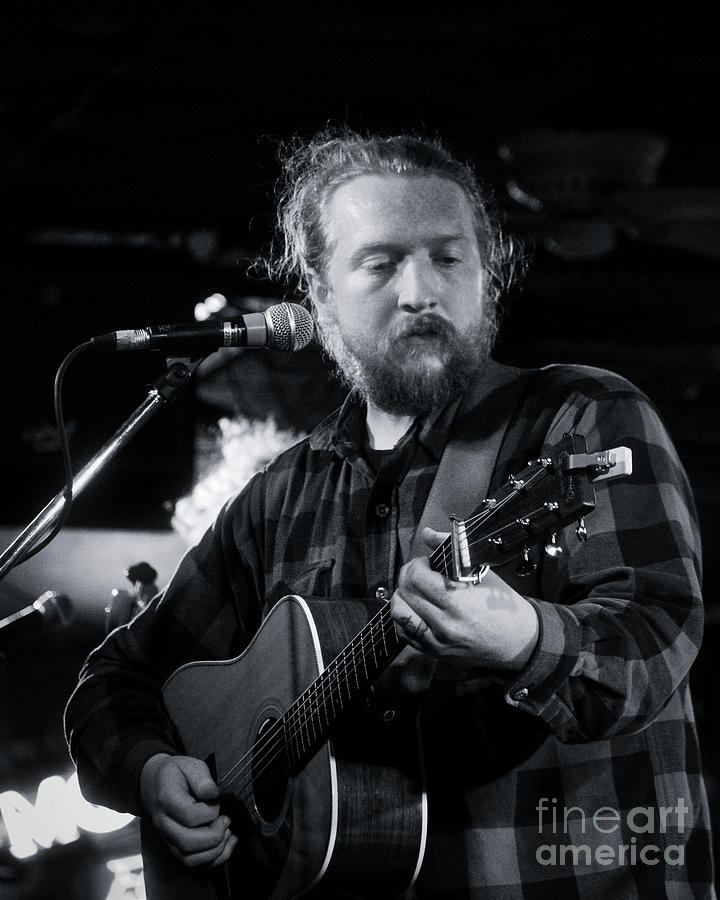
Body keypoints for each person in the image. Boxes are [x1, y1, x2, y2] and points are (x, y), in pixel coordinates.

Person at [65, 128, 715, 899]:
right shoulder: (279, 496)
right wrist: (150, 768)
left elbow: (657, 635)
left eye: (449, 258)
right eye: (380, 263)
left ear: (488, 273)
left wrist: (530, 639)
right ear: (317, 293)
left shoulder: (580, 417)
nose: (420, 292)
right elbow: (116, 676)